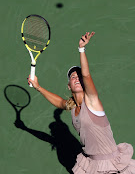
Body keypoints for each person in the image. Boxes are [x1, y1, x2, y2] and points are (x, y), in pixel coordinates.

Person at [28, 32, 135, 174]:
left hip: (112, 166)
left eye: (79, 76)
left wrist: (81, 49)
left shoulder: (92, 101)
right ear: (69, 86)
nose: (77, 78)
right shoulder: (72, 107)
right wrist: (38, 87)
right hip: (92, 165)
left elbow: (86, 75)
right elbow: (59, 102)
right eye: (73, 77)